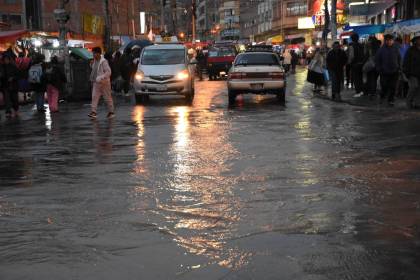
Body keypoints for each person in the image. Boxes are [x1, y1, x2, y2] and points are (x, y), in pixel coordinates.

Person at [375, 34, 401, 106]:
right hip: (384, 72)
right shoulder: (381, 50)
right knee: (384, 85)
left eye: (390, 40)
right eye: (387, 40)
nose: (389, 42)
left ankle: (391, 100)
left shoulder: (396, 49)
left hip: (395, 71)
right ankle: (382, 96)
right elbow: (377, 60)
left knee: (393, 86)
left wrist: (399, 68)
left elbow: (399, 59)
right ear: (385, 41)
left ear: (392, 41)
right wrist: (379, 69)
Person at [88, 47, 114, 119]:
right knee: (94, 97)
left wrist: (101, 77)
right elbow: (95, 69)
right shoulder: (94, 61)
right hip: (96, 82)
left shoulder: (104, 61)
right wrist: (91, 65)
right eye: (93, 53)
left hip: (104, 83)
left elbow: (108, 72)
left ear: (99, 53)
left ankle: (111, 112)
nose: (93, 55)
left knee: (107, 97)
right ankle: (94, 112)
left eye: (95, 53)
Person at [403, 33, 420, 109]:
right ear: (415, 41)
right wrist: (407, 73)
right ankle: (408, 102)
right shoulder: (410, 50)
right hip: (412, 73)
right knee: (414, 87)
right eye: (418, 40)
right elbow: (406, 62)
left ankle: (417, 103)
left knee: (419, 88)